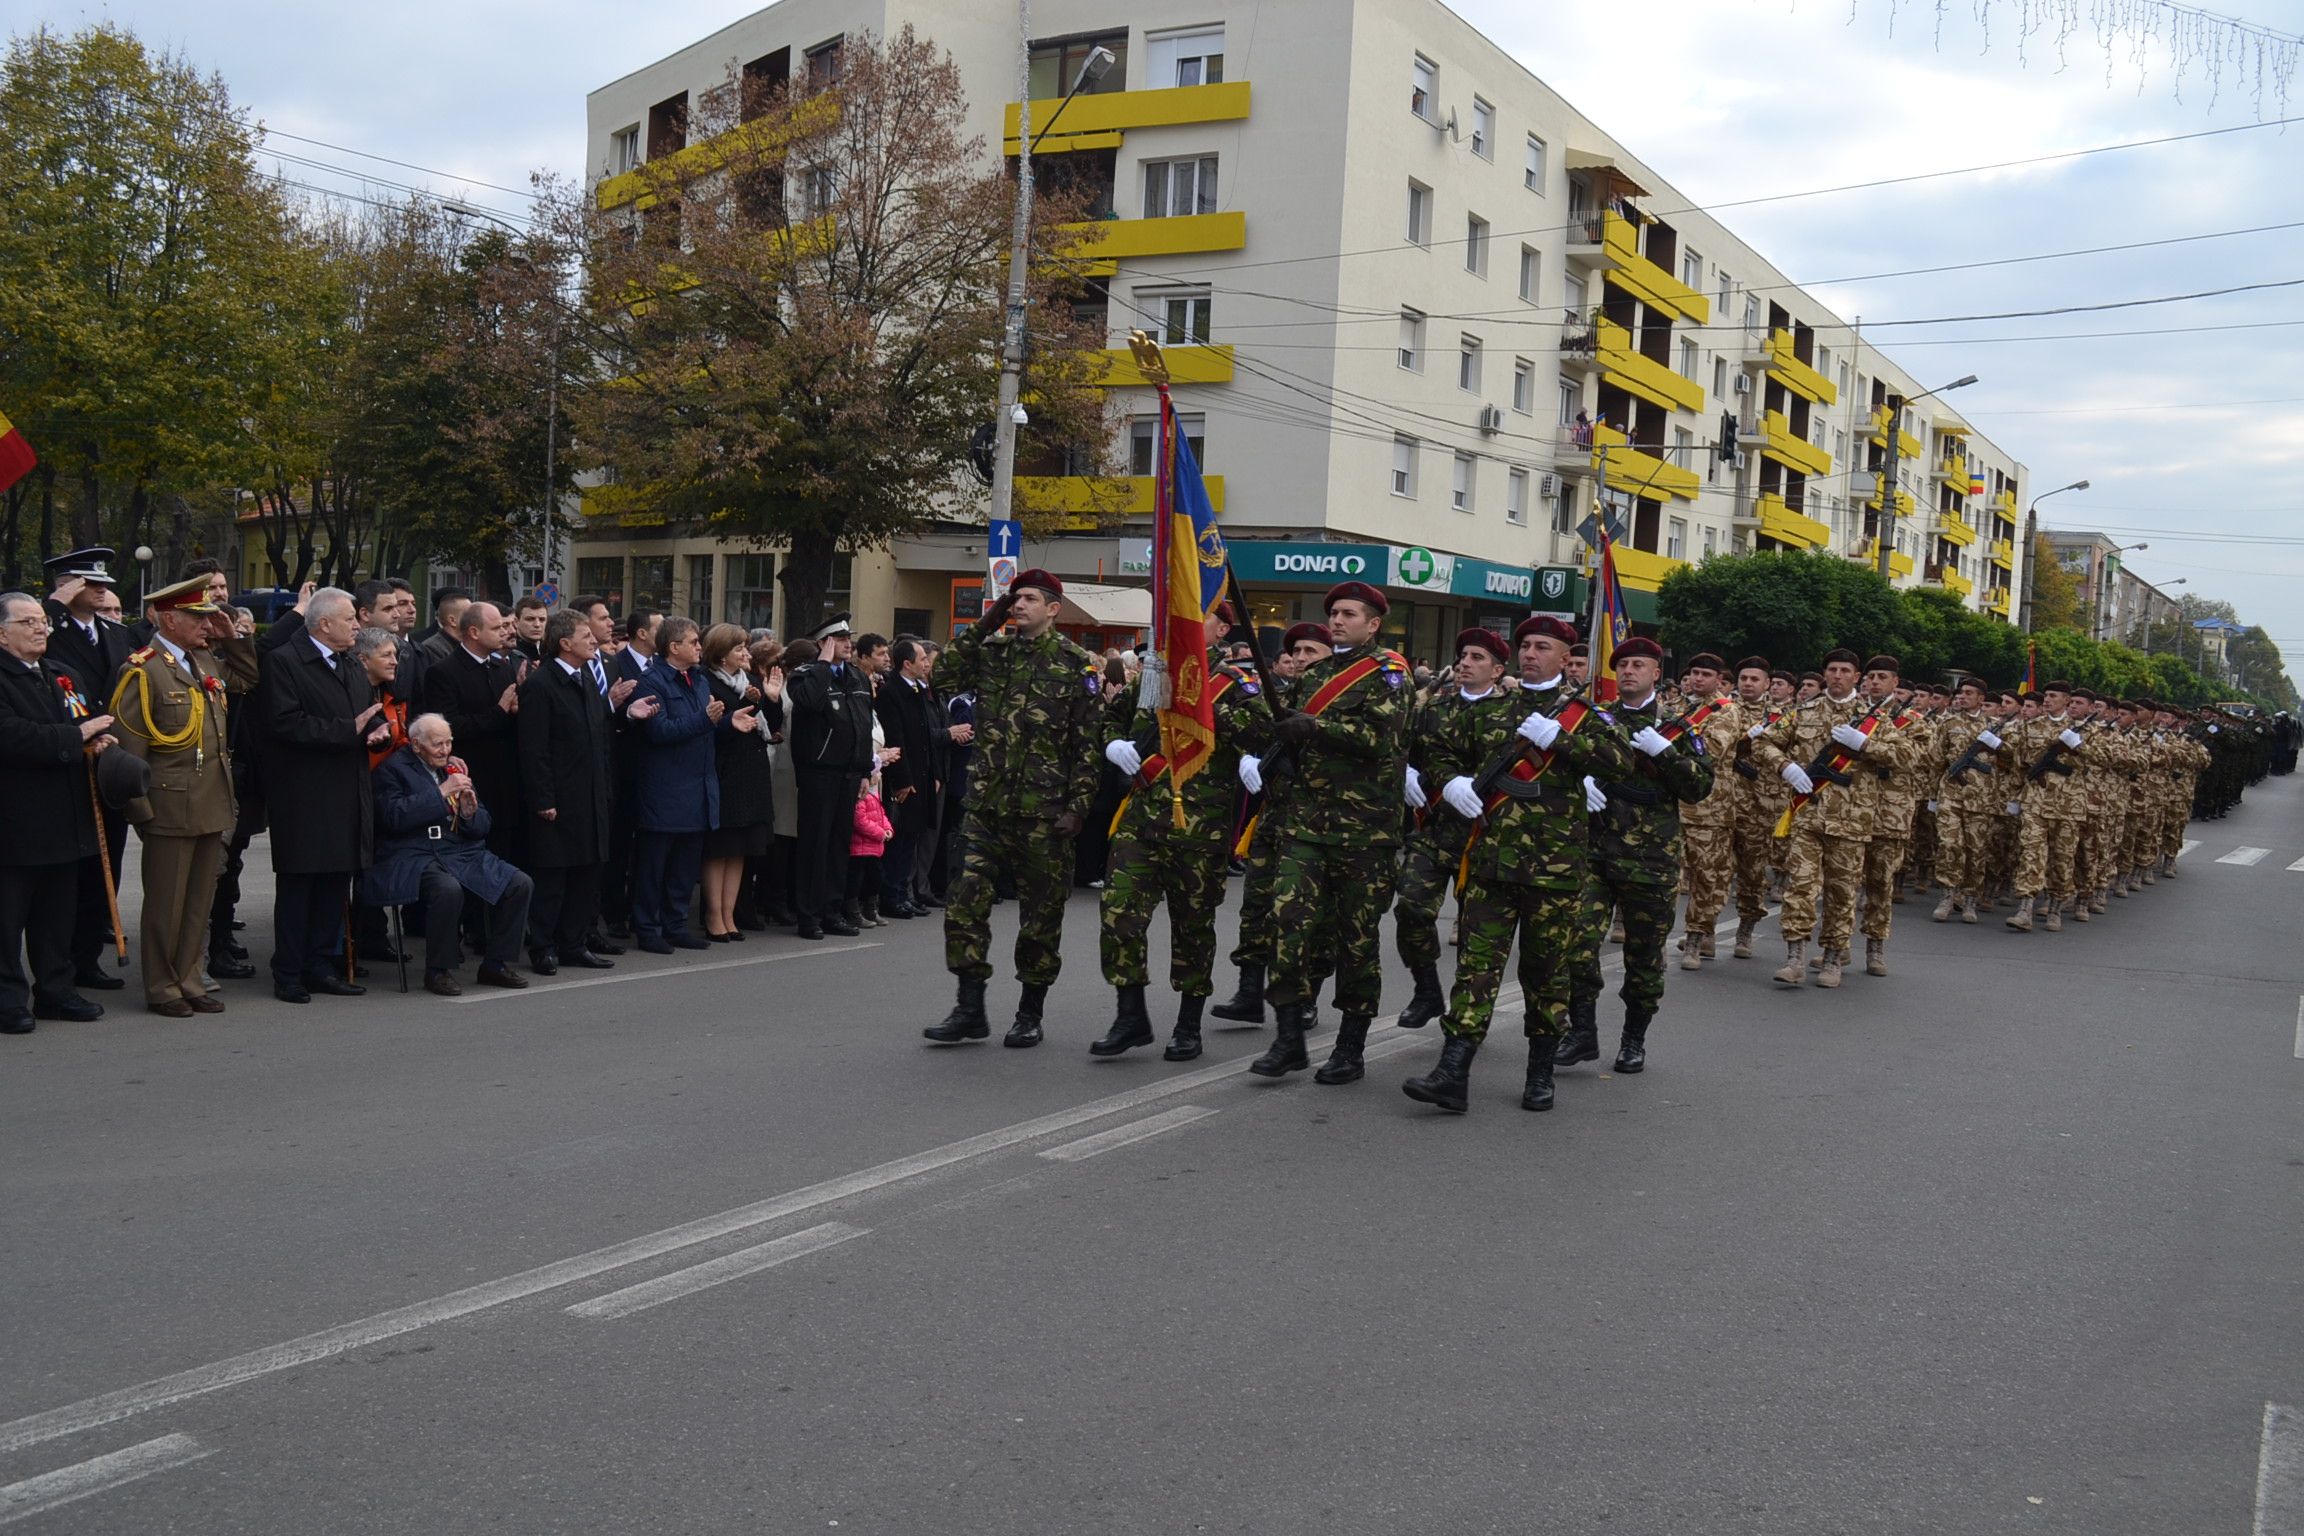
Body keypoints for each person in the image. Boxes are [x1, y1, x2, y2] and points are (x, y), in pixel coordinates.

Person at [1401, 615, 1631, 1114]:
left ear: (1565, 657)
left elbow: (1621, 762)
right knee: (1474, 970)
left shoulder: (1581, 712)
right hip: (1489, 861)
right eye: (1525, 645)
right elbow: (1439, 750)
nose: (1530, 654)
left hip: (1555, 869)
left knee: (1546, 974)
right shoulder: (1492, 707)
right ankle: (1452, 1071)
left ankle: (1540, 1070)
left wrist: (1561, 741)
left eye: (1542, 647)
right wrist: (1451, 782)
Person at [924, 571, 1103, 1049]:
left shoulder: (1075, 664)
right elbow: (940, 676)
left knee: (1040, 918)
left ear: (1052, 608)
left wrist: (1079, 808)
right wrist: (985, 623)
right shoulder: (993, 652)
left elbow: (1088, 745)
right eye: (1014, 598)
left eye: (1028, 599)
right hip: (987, 807)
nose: (1018, 605)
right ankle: (969, 1007)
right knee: (964, 904)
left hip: (1045, 812)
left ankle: (1029, 1011)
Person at [1089, 613, 1271, 1061]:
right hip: (1142, 818)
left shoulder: (1234, 684)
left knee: (1192, 929)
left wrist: (1206, 707)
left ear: (1222, 631)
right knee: (1119, 915)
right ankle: (1130, 1015)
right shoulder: (1155, 676)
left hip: (1199, 825)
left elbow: (1265, 733)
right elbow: (1110, 717)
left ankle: (1188, 1024)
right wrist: (1114, 744)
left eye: (1196, 615)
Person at [1253, 580, 1413, 1085]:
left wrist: (1315, 729)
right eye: (1334, 613)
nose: (1338, 621)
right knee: (1286, 924)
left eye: (1349, 614)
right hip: (1306, 824)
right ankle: (1288, 1038)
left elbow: (1380, 740)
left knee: (1356, 941)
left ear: (1373, 623)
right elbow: (1280, 724)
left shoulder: (1389, 674)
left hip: (1365, 833)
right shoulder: (1314, 673)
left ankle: (1350, 1045)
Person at [1558, 636, 1715, 1074]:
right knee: (1576, 946)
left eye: (1638, 665)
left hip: (1651, 858)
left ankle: (1633, 1040)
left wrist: (1665, 756)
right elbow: (1562, 764)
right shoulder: (1593, 720)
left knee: (1644, 959)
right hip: (1593, 852)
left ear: (1655, 674)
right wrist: (1581, 783)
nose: (1628, 671)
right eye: (1623, 664)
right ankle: (1582, 1033)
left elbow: (1699, 788)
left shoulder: (1679, 728)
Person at [110, 577, 240, 1018]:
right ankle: (162, 986)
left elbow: (250, 676)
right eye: (199, 618)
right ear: (170, 618)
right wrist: (140, 811)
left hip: (211, 800)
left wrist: (231, 636)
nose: (208, 625)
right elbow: (129, 751)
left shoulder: (205, 660)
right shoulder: (143, 670)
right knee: (166, 904)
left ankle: (188, 977)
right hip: (168, 805)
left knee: (197, 902)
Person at [254, 586, 391, 1003]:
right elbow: (284, 723)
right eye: (350, 619)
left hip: (347, 791)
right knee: (300, 888)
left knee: (334, 886)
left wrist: (375, 733)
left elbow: (363, 715)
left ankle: (321, 965)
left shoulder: (349, 663)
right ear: (324, 623)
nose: (357, 624)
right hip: (304, 796)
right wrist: (346, 731)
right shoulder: (285, 662)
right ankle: (289, 972)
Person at [0, 589, 118, 1032]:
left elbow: (79, 722)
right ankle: (8, 999)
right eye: (26, 622)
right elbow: (12, 736)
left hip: (65, 818)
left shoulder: (58, 673)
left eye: (41, 621)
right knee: (8, 920)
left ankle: (55, 990)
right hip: (14, 822)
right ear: (1, 633)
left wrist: (95, 740)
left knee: (56, 917)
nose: (38, 628)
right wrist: (77, 736)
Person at [1211, 622, 1331, 1025]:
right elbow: (1245, 728)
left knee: (1305, 915)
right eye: (1295, 652)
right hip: (1274, 818)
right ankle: (1249, 992)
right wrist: (1248, 754)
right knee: (1257, 906)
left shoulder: (1337, 705)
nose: (1299, 659)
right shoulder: (1274, 698)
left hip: (1318, 825)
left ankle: (1307, 996)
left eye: (1310, 653)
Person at [1392, 628, 1510, 1030]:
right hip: (1435, 828)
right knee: (1410, 905)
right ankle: (1426, 990)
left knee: (1475, 933)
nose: (1464, 663)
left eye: (1477, 657)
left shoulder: (1512, 712)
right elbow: (1402, 745)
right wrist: (1406, 771)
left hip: (1484, 833)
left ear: (1497, 670)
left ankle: (1465, 1015)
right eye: (1463, 655)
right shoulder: (1433, 708)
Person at [367, 714, 533, 995]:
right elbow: (392, 817)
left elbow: (482, 824)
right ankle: (438, 971)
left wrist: (469, 815)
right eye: (438, 744)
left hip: (459, 850)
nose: (445, 750)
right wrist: (440, 793)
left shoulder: (452, 767)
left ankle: (495, 964)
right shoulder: (392, 770)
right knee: (447, 889)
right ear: (417, 745)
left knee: (519, 883)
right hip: (415, 853)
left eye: (448, 742)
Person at [1749, 648, 1878, 988]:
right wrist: (1786, 766)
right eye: (1832, 670)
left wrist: (1866, 745)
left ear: (1856, 677)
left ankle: (1834, 959)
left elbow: (1908, 756)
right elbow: (1763, 744)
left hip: (1852, 821)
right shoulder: (1802, 712)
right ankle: (1794, 959)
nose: (1837, 675)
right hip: (1807, 815)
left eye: (1845, 670)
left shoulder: (1872, 718)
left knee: (1841, 892)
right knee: (1800, 887)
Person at [41, 549, 137, 993]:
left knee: (106, 866)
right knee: (67, 874)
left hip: (109, 764)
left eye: (104, 583)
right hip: (64, 766)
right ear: (66, 587)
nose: (101, 589)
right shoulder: (48, 630)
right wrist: (55, 606)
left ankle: (86, 959)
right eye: (88, 583)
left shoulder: (117, 635)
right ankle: (55, 963)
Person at [518, 609, 619, 974]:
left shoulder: (588, 679)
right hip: (559, 799)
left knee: (587, 874)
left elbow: (602, 739)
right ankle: (543, 946)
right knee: (553, 878)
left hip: (591, 796)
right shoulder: (541, 685)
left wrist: (606, 789)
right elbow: (534, 750)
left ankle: (574, 944)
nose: (595, 640)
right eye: (586, 635)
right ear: (564, 643)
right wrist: (544, 799)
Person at [628, 616, 721, 953]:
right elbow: (659, 732)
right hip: (665, 789)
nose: (700, 647)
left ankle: (676, 924)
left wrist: (726, 723)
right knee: (654, 867)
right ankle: (648, 928)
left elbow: (706, 728)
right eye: (694, 642)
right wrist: (704, 720)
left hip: (698, 788)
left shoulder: (698, 679)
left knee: (684, 866)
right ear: (674, 647)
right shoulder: (652, 682)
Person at [417, 602, 526, 874]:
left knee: (503, 862)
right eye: (497, 627)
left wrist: (516, 712)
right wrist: (499, 712)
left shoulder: (504, 668)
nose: (505, 631)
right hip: (470, 778)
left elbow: (509, 720)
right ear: (474, 632)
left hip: (506, 784)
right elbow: (449, 727)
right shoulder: (443, 672)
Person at [786, 614, 876, 941]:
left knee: (839, 845)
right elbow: (808, 701)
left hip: (850, 772)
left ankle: (832, 911)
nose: (848, 643)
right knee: (815, 845)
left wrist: (865, 769)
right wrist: (823, 665)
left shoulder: (856, 677)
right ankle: (808, 916)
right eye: (838, 639)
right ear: (824, 644)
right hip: (818, 773)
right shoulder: (806, 675)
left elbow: (863, 724)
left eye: (848, 637)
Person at [700, 624, 777, 942]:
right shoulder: (708, 681)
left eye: (746, 647)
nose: (747, 653)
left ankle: (730, 914)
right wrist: (732, 724)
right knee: (720, 848)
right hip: (726, 771)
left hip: (752, 772)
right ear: (721, 654)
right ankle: (713, 914)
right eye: (739, 649)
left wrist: (769, 700)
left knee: (741, 849)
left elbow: (771, 726)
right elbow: (708, 727)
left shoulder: (751, 682)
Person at [2002, 680, 2090, 933]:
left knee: (2062, 859)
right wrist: (2015, 797)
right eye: (2047, 696)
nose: (2048, 700)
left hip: (2068, 804)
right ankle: (2025, 908)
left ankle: (2054, 907)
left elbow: (2103, 760)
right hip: (2035, 801)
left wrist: (2080, 746)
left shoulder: (2083, 729)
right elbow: (2019, 765)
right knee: (2030, 853)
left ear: (2067, 700)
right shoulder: (2031, 727)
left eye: (2054, 696)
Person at [873, 638, 943, 920]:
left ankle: (903, 892)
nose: (926, 663)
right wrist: (902, 780)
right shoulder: (892, 692)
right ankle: (892, 894)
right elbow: (897, 737)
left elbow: (927, 737)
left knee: (912, 836)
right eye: (922, 658)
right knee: (900, 838)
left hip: (923, 773)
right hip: (906, 776)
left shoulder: (916, 689)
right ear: (907, 663)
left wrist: (935, 773)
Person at [848, 772, 894, 926]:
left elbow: (882, 816)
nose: (879, 776)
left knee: (876, 877)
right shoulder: (861, 796)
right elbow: (859, 820)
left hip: (874, 847)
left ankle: (871, 908)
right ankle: (853, 911)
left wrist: (888, 829)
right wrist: (881, 833)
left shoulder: (874, 796)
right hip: (860, 846)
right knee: (856, 879)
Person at [418, 588, 472, 666]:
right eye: (469, 614)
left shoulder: (468, 645)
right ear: (452, 620)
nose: (474, 618)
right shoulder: (432, 649)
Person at [510, 596, 551, 664]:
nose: (537, 625)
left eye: (542, 619)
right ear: (516, 622)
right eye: (530, 619)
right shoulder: (508, 653)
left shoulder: (551, 651)